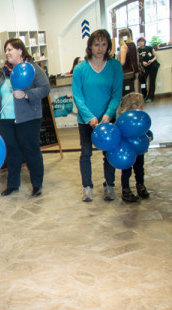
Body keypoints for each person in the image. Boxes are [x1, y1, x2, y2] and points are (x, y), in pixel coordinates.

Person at [0, 38, 50, 198]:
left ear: (20, 50)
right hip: (6, 119)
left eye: (10, 49)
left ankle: (37, 185)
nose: (7, 53)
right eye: (6, 50)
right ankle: (12, 185)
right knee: (12, 152)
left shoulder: (32, 68)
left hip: (28, 119)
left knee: (31, 151)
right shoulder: (2, 72)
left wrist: (26, 94)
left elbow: (45, 88)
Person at [72, 29, 123, 202]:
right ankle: (87, 187)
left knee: (108, 153)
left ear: (108, 46)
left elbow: (116, 94)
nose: (100, 48)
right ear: (90, 46)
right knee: (86, 153)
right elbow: (77, 95)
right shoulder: (80, 68)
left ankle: (109, 186)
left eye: (103, 44)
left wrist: (107, 116)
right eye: (96, 44)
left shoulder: (115, 66)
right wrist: (89, 117)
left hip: (107, 119)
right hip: (86, 120)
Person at [117, 93, 152, 203]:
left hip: (139, 149)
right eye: (140, 106)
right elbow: (118, 131)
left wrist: (149, 135)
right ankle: (125, 189)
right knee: (126, 170)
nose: (142, 109)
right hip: (127, 150)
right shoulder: (123, 120)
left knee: (139, 168)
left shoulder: (139, 120)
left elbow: (145, 130)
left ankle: (140, 185)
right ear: (132, 107)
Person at [137, 37, 160, 102]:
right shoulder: (137, 50)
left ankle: (150, 97)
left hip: (153, 65)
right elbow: (137, 59)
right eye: (139, 41)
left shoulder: (149, 48)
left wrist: (151, 60)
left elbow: (156, 56)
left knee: (152, 81)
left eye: (142, 41)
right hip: (144, 67)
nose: (140, 43)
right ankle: (144, 95)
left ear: (144, 42)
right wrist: (142, 62)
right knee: (143, 80)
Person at [118, 29, 140, 95]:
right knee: (131, 93)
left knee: (126, 95)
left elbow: (122, 62)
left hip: (126, 73)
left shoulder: (124, 47)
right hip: (133, 72)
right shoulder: (133, 44)